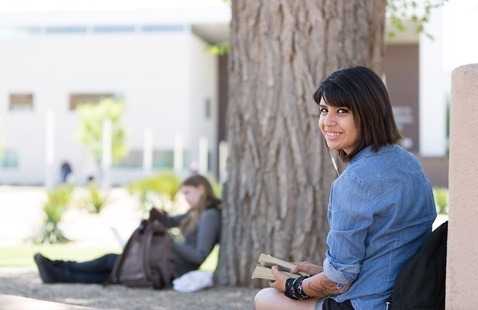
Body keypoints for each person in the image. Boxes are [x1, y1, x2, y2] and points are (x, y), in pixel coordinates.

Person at [254, 66, 437, 310]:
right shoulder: (407, 162)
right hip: (409, 296)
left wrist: (291, 286)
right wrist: (320, 271)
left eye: (342, 111)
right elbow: (386, 249)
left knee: (265, 298)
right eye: (323, 110)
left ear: (369, 113)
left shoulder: (354, 182)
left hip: (369, 304)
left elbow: (339, 282)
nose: (328, 122)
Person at [34, 174, 221, 285]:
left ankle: (58, 267)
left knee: (112, 263)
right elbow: (170, 222)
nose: (186, 198)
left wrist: (170, 241)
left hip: (173, 269)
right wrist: (158, 219)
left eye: (188, 193)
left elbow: (199, 255)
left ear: (201, 188)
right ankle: (57, 272)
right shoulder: (195, 213)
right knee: (114, 271)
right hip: (166, 263)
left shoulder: (209, 216)